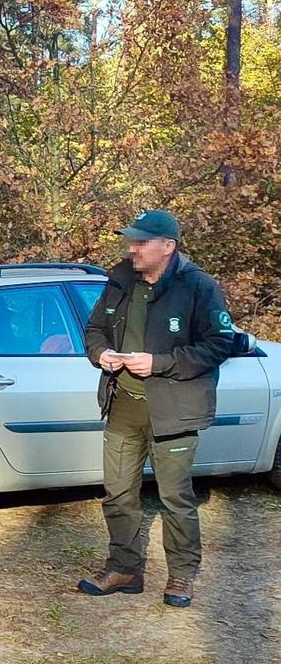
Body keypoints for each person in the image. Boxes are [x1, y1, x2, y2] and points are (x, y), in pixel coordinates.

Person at [78, 209, 236, 608]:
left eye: (141, 242)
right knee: (118, 495)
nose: (132, 248)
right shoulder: (120, 279)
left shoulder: (199, 287)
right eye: (131, 241)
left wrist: (160, 363)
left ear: (168, 247)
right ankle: (124, 568)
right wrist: (102, 355)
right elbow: (94, 329)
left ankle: (181, 576)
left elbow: (220, 344)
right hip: (122, 407)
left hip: (174, 411)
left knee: (175, 499)